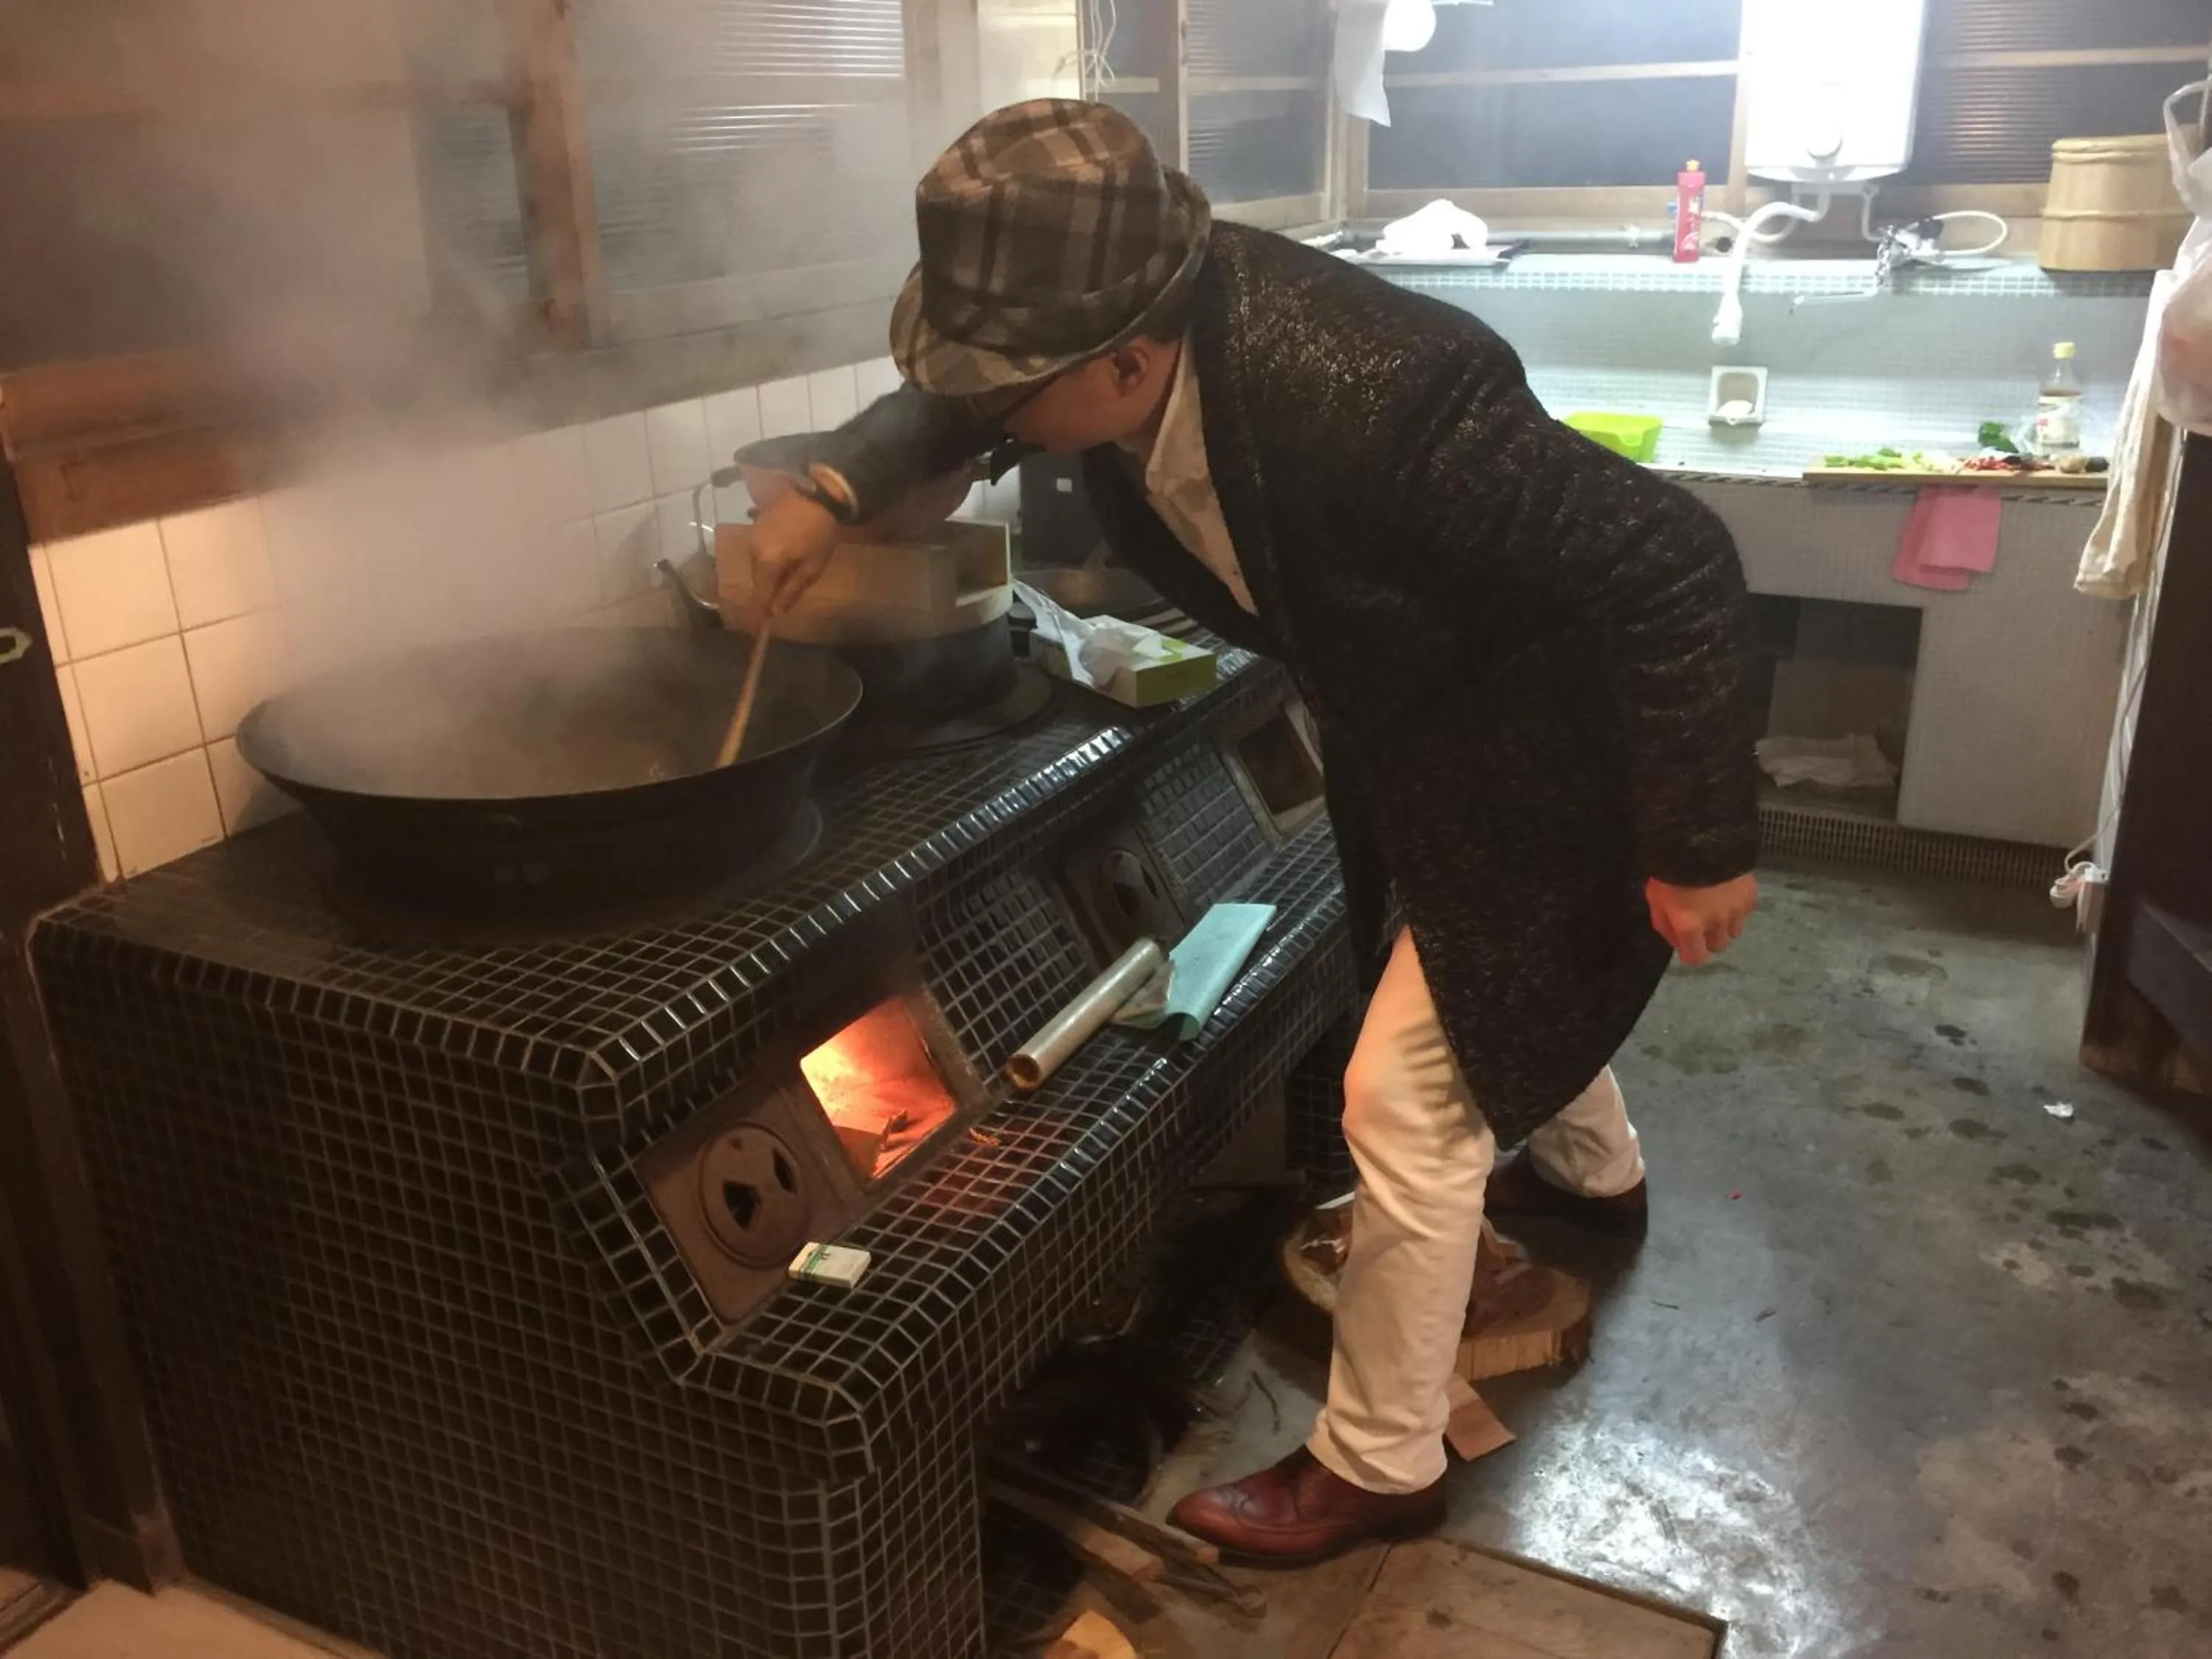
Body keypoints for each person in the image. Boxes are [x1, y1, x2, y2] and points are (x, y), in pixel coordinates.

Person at [745, 99, 1761, 1562]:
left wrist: (1698, 832)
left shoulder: (1384, 394)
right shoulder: (1128, 338)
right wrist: (832, 489)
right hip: (1416, 719)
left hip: (1557, 745)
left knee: (1401, 1102)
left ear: (1126, 361)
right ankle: (1596, 1173)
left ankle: (1379, 1465)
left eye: (1018, 392)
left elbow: (1674, 561)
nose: (997, 424)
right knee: (1486, 990)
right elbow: (964, 399)